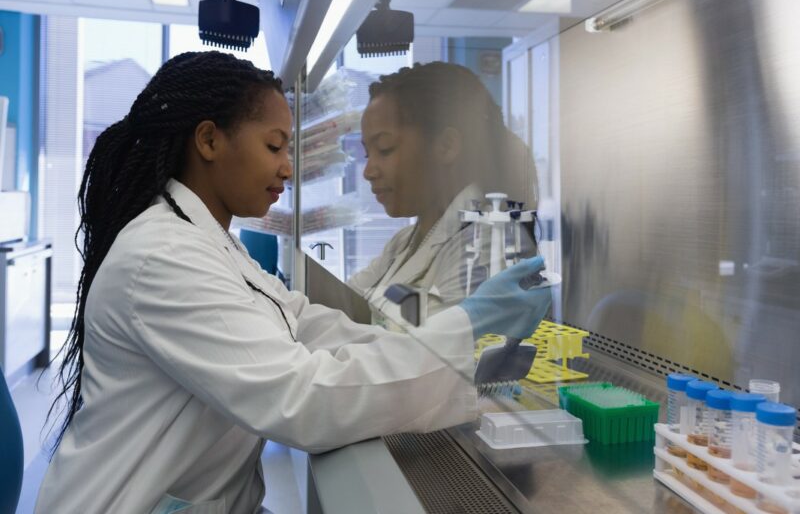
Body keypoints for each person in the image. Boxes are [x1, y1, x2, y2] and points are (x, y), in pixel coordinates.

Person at [35, 51, 549, 514]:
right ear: (210, 140)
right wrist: (462, 327)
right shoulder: (166, 255)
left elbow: (304, 319)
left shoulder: (206, 242)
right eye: (275, 145)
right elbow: (303, 396)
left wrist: (452, 331)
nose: (287, 167)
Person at [349, 62, 540, 322]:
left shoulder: (488, 246)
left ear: (446, 146)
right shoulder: (405, 242)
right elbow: (343, 303)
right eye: (367, 154)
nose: (368, 171)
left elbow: (424, 352)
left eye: (385, 149)